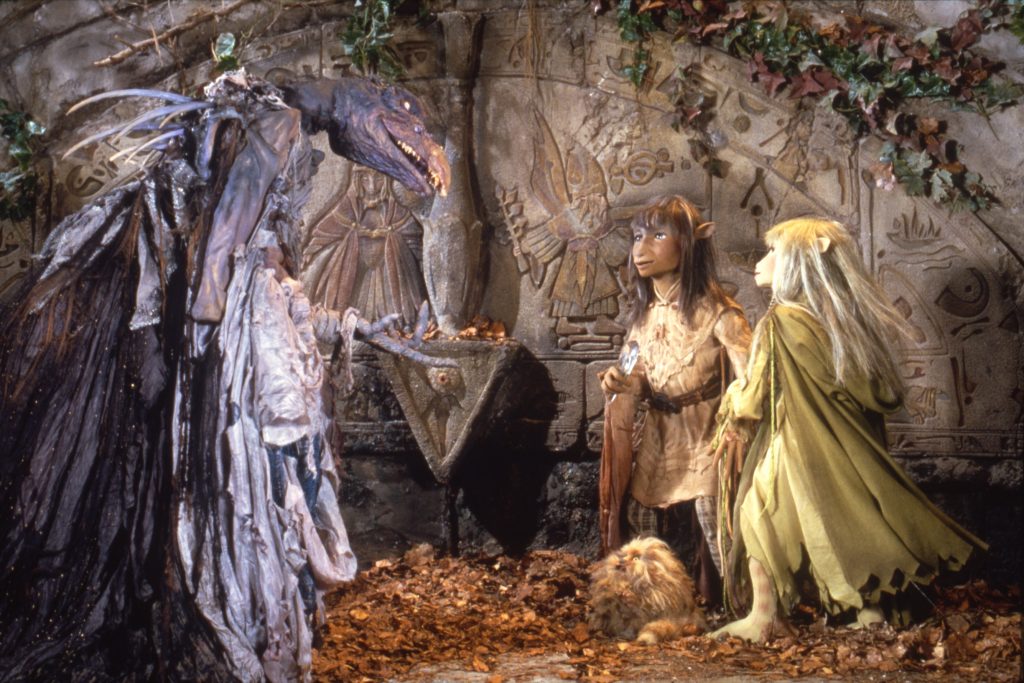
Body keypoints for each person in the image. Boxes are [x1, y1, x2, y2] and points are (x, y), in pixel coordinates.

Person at [711, 217, 987, 642]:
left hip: (797, 445)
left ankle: (764, 616)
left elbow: (753, 398)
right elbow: (872, 394)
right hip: (845, 452)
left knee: (757, 515)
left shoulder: (782, 321)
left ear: (798, 263)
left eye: (774, 252)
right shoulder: (841, 323)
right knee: (845, 522)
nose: (761, 261)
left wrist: (731, 400)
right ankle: (868, 611)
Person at [599, 195, 751, 593]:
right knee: (640, 516)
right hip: (660, 433)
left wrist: (738, 425)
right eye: (637, 237)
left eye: (658, 236)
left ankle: (741, 602)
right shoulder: (643, 316)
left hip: (707, 432)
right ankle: (651, 599)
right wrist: (621, 383)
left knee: (715, 515)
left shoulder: (720, 313)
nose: (641, 248)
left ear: (689, 243)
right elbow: (638, 374)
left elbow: (752, 378)